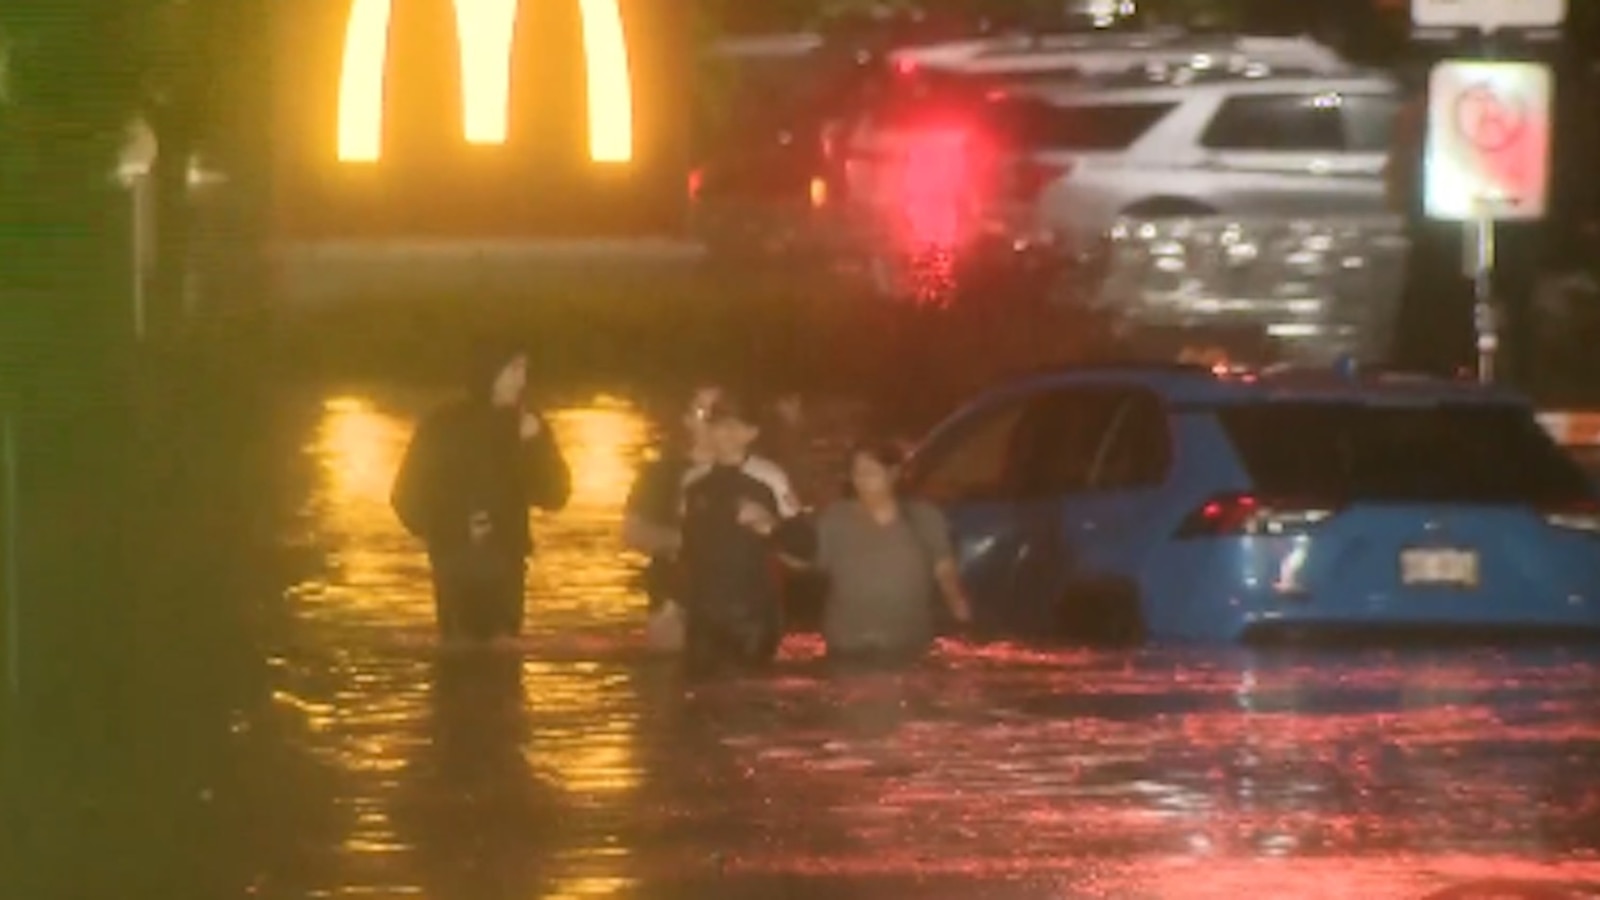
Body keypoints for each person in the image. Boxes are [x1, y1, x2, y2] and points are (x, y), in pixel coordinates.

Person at [391, 339, 571, 646]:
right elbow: (405, 496)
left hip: (506, 562)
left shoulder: (527, 426)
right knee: (458, 651)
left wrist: (536, 445)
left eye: (525, 369)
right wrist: (449, 530)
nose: (522, 380)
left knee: (503, 655)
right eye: (514, 369)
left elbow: (555, 496)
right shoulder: (442, 426)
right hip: (454, 560)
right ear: (491, 371)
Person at [798, 440, 972, 663]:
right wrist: (779, 534)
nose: (861, 478)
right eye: (856, 472)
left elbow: (945, 571)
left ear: (893, 473)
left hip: (908, 642)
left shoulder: (924, 517)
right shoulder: (835, 519)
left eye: (870, 471)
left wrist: (960, 610)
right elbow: (808, 563)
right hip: (849, 643)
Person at [678, 393, 810, 676]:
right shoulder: (692, 482)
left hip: (753, 616)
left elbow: (805, 547)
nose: (726, 433)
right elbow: (685, 551)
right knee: (699, 704)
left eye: (736, 426)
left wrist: (770, 525)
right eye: (719, 425)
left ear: (751, 433)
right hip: (703, 615)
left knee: (751, 701)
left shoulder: (770, 478)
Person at [621, 383, 723, 648]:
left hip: (731, 604)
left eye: (719, 413)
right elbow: (632, 532)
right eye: (704, 413)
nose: (712, 422)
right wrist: (688, 541)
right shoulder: (661, 473)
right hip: (671, 604)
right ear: (688, 420)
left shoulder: (753, 474)